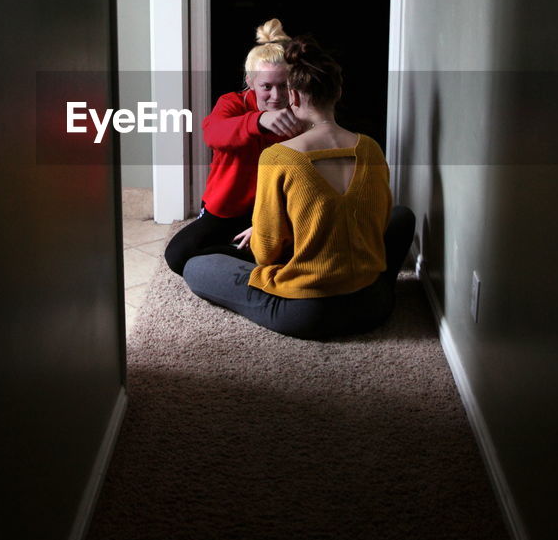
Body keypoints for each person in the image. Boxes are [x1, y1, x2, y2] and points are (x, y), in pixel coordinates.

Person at [179, 35, 416, 340]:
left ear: (294, 96)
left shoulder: (279, 156)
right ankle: (368, 283)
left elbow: (266, 253)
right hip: (373, 303)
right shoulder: (370, 147)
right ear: (338, 91)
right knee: (403, 216)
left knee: (198, 267)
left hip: (309, 312)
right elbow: (379, 222)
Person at [163, 18, 306, 274]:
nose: (277, 95)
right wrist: (259, 121)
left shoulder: (301, 114)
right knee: (177, 255)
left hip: (277, 212)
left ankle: (255, 256)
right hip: (227, 210)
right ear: (250, 82)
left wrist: (268, 225)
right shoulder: (231, 103)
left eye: (284, 85)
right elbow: (212, 134)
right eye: (266, 86)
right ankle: (249, 256)